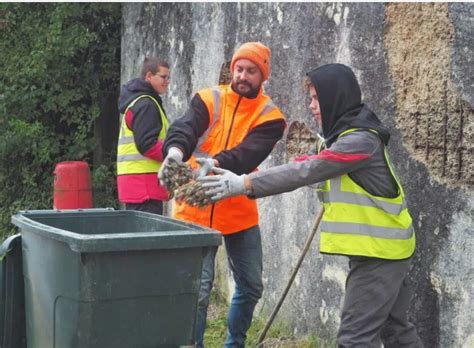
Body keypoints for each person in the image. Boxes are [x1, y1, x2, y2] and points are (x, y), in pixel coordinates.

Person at [200, 64, 423, 348]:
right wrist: (228, 166)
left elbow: (307, 171)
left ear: (335, 97)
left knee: (354, 339)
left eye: (317, 98)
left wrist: (244, 184)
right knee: (396, 330)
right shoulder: (344, 136)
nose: (311, 106)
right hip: (385, 250)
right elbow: (304, 165)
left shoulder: (358, 141)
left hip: (379, 255)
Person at [159, 42, 287, 347]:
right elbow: (185, 128)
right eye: (239, 69)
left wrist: (214, 163)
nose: (243, 76)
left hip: (239, 209)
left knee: (252, 285)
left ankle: (235, 342)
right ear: (232, 69)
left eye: (251, 71)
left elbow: (247, 154)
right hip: (195, 210)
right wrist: (175, 153)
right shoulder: (208, 98)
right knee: (198, 292)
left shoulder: (271, 117)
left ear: (262, 75)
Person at [116, 57, 170, 215]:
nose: (167, 81)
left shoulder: (138, 101)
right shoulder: (146, 104)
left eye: (169, 77)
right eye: (163, 77)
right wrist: (175, 152)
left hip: (138, 185)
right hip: (145, 187)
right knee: (149, 238)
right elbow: (147, 145)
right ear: (149, 76)